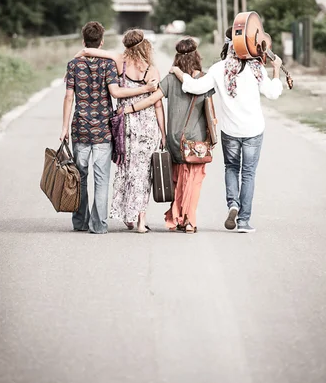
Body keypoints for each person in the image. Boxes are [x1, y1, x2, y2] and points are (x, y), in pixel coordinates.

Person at [171, 27, 283, 233]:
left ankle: (233, 204)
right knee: (248, 174)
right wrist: (276, 69)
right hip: (253, 130)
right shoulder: (256, 68)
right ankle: (243, 221)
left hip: (230, 131)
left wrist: (179, 72)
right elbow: (273, 93)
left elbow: (195, 88)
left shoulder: (219, 68)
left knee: (231, 168)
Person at [60, 22, 157, 234]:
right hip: (103, 129)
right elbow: (115, 91)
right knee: (101, 178)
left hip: (80, 128)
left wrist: (64, 128)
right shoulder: (108, 65)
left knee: (80, 176)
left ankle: (80, 222)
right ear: (101, 42)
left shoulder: (73, 65)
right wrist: (145, 89)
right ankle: (99, 225)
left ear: (84, 40)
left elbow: (69, 97)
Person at [122, 38, 214, 233]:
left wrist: (129, 108)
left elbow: (152, 99)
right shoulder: (204, 79)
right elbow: (210, 110)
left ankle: (178, 217)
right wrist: (211, 135)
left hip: (174, 139)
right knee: (194, 180)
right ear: (196, 56)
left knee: (179, 179)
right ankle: (189, 221)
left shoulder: (170, 80)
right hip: (196, 141)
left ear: (177, 58)